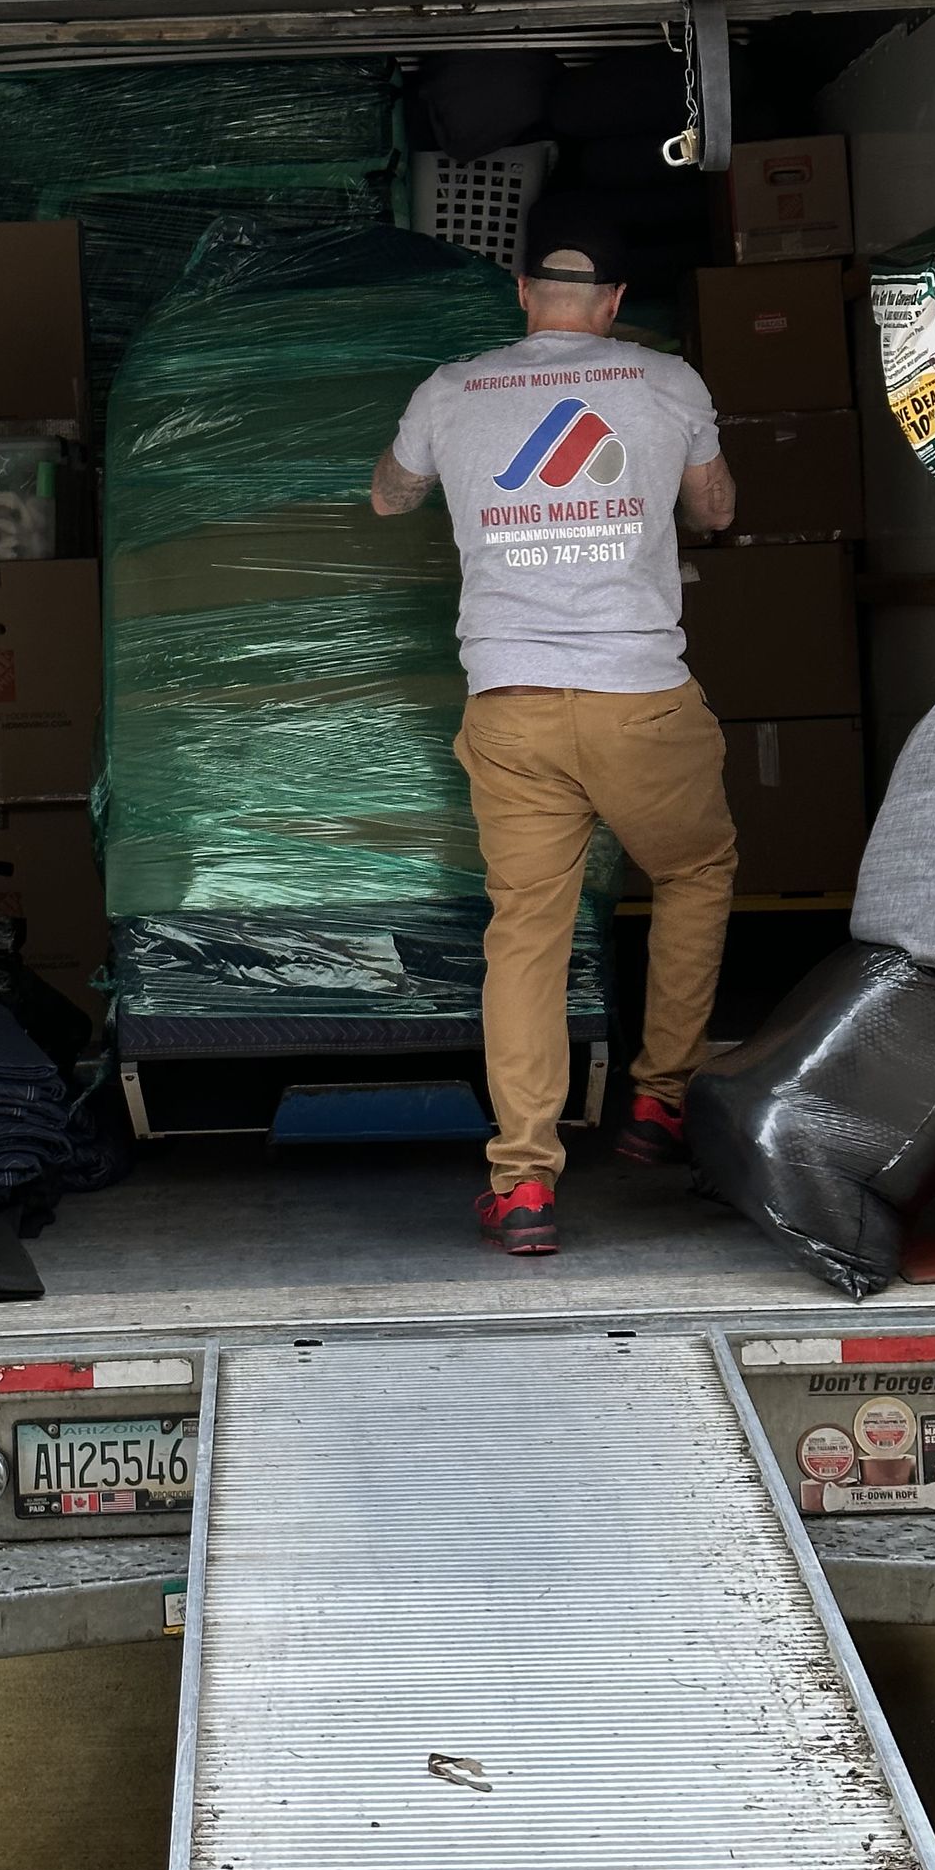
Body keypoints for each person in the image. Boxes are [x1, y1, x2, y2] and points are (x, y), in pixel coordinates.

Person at [369, 195, 739, 1255]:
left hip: (513, 708)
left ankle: (524, 1184)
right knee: (697, 870)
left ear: (523, 290)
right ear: (616, 303)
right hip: (640, 701)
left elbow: (392, 497)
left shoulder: (453, 389)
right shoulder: (667, 381)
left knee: (526, 935)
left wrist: (450, 477)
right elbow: (714, 509)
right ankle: (660, 1096)